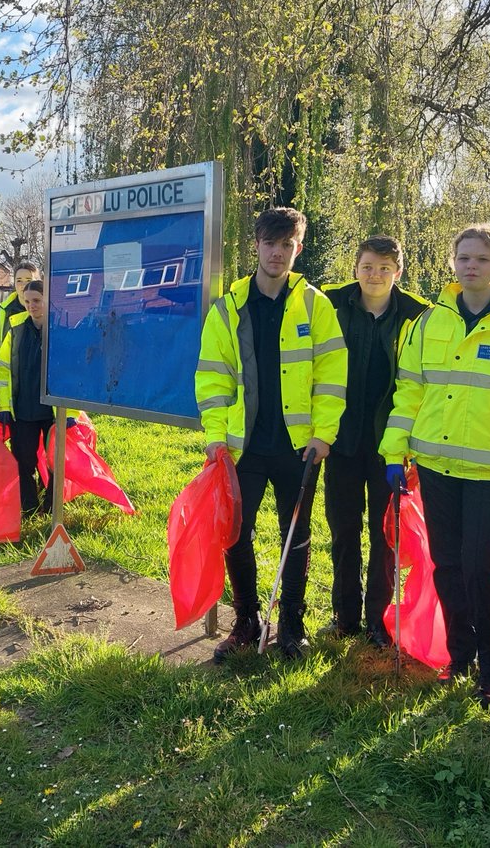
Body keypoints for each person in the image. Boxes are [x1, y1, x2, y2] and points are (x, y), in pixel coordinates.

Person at [378, 223, 490, 706]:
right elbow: (410, 391)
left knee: (482, 570)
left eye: (481, 258)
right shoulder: (426, 324)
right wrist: (395, 451)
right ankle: (458, 657)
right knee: (448, 564)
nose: (471, 266)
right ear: (452, 263)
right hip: (436, 468)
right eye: (463, 258)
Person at [195, 206, 348, 661]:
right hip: (242, 449)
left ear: (298, 249)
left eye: (287, 245)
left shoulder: (315, 305)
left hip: (299, 448)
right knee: (234, 534)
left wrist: (323, 434)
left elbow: (331, 375)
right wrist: (217, 436)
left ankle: (292, 627)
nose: (278, 253)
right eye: (270, 243)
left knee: (295, 535)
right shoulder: (229, 307)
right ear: (256, 245)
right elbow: (213, 377)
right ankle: (246, 621)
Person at [321, 235, 429, 647]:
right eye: (367, 266)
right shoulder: (331, 305)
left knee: (387, 536)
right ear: (355, 268)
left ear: (397, 273)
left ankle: (379, 622)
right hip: (341, 440)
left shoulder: (417, 316)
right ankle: (345, 616)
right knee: (343, 530)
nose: (374, 275)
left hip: (391, 446)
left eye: (384, 268)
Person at [0, 280, 63, 516]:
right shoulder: (16, 329)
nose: (31, 306)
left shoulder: (61, 330)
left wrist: (71, 414)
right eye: (27, 301)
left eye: (36, 300)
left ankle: (53, 506)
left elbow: (73, 374)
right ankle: (29, 507)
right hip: (23, 410)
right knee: (23, 461)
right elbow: (2, 370)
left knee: (56, 462)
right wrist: (4, 406)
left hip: (54, 412)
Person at [0, 261, 40, 368]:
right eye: (19, 281)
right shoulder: (1, 315)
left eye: (29, 280)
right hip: (9, 380)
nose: (23, 285)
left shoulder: (48, 313)